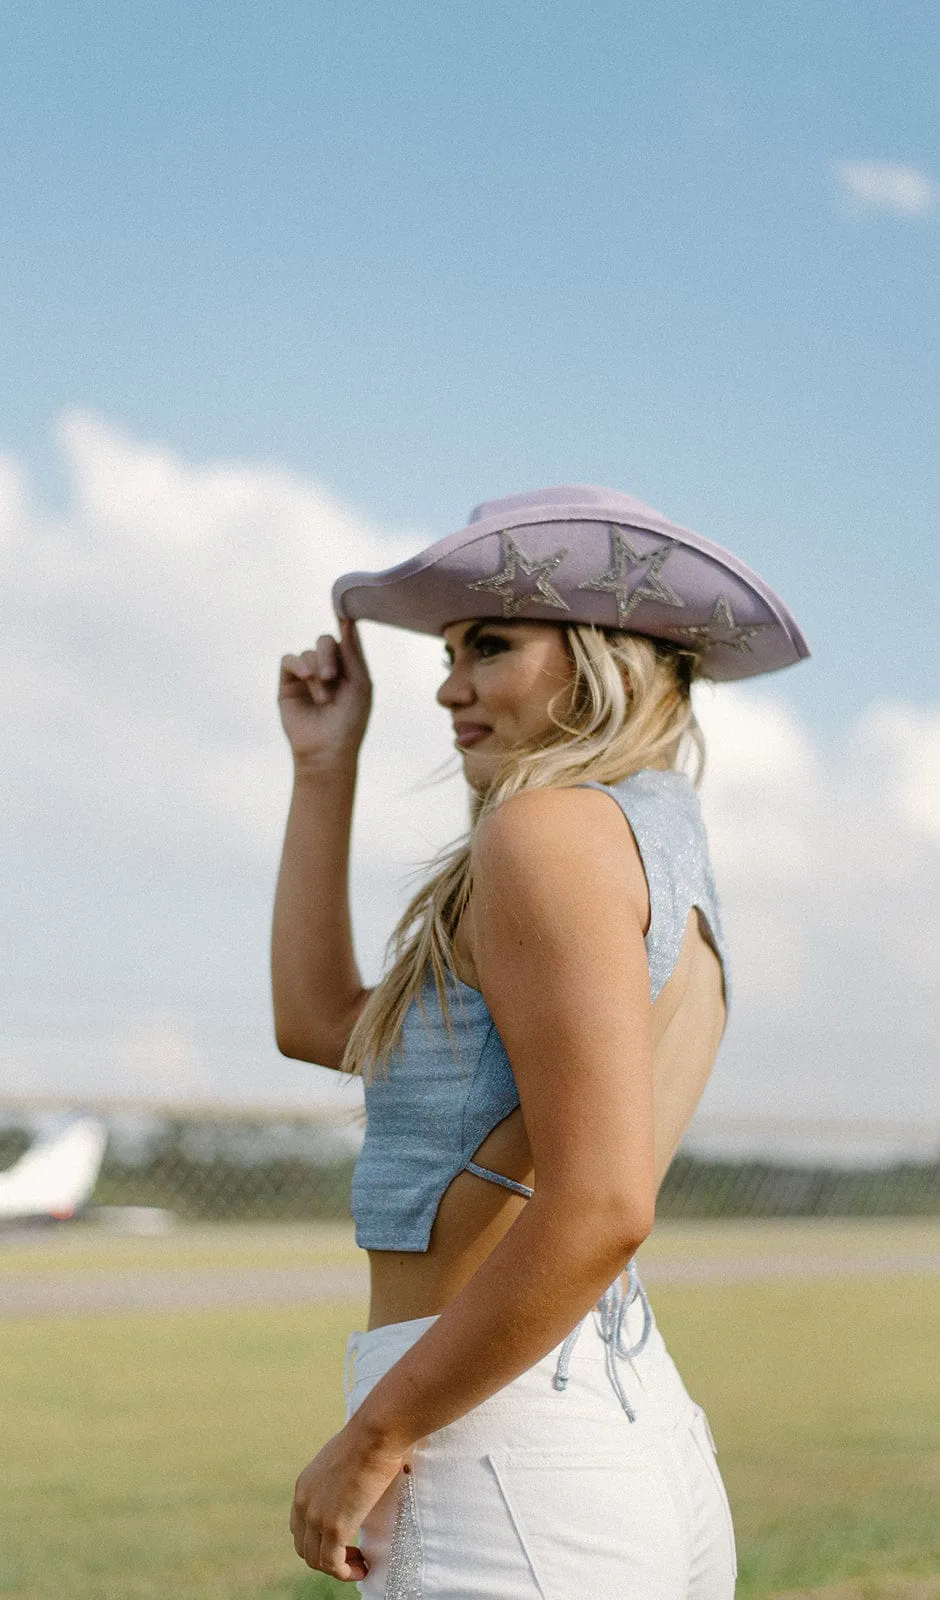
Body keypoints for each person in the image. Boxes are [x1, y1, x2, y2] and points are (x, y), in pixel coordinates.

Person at [272, 485, 809, 1598]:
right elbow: (321, 1023)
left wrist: (373, 1434)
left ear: (604, 655)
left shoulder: (546, 832)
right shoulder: (658, 840)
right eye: (451, 649)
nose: (446, 684)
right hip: (611, 1426)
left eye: (490, 645)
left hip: (499, 1454)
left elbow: (604, 1203)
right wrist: (326, 767)